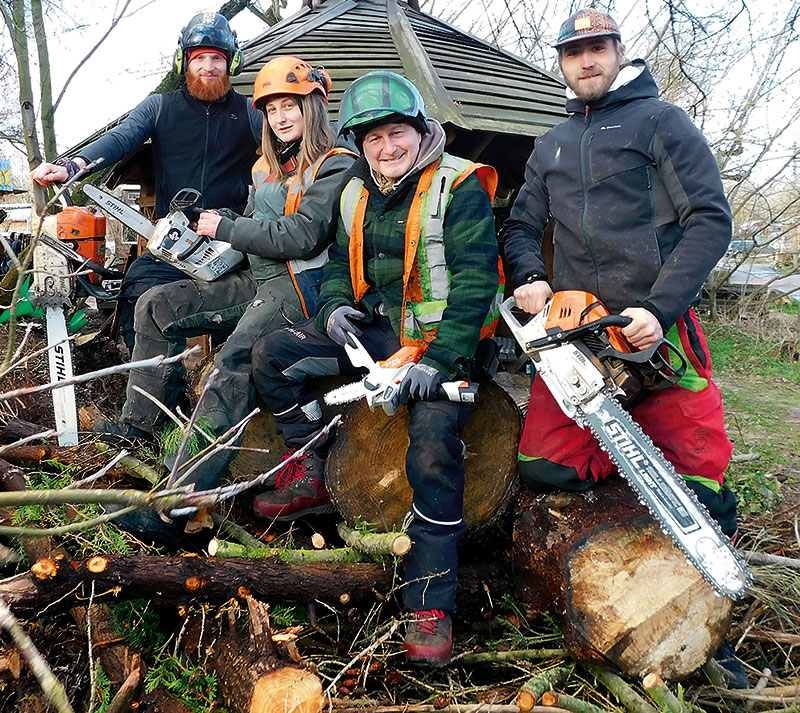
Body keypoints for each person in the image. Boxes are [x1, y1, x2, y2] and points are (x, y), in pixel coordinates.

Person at [504, 12, 747, 682]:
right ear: (562, 61)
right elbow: (521, 224)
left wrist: (660, 306)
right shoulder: (549, 142)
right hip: (580, 333)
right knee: (542, 465)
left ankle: (715, 623)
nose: (586, 61)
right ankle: (632, 495)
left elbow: (709, 217)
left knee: (702, 471)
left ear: (617, 52)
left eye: (597, 48)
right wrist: (530, 277)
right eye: (574, 52)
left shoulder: (659, 122)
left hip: (653, 327)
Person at [249, 71, 501, 668]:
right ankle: (307, 464)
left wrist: (440, 361)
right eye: (374, 139)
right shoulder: (355, 190)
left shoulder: (458, 184)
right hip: (380, 330)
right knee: (272, 355)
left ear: (419, 130)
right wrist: (336, 305)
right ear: (359, 143)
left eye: (397, 134)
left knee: (434, 445)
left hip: (447, 339)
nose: (387, 149)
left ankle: (429, 601)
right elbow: (338, 262)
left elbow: (475, 283)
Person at [96, 54, 356, 506]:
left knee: (233, 361)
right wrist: (211, 238)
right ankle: (142, 429)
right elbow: (258, 225)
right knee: (156, 306)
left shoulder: (336, 163)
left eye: (289, 106)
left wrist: (228, 227)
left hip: (304, 287)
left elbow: (304, 234)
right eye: (272, 110)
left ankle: (180, 494)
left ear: (312, 105)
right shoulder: (266, 169)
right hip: (258, 278)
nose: (279, 118)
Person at [30, 12, 262, 350]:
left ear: (231, 63)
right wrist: (74, 165)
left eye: (217, 58)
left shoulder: (250, 110)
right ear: (184, 62)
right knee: (137, 293)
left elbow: (290, 142)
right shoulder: (159, 107)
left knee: (240, 321)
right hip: (174, 241)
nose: (209, 66)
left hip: (232, 241)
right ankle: (161, 384)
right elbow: (122, 138)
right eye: (200, 59)